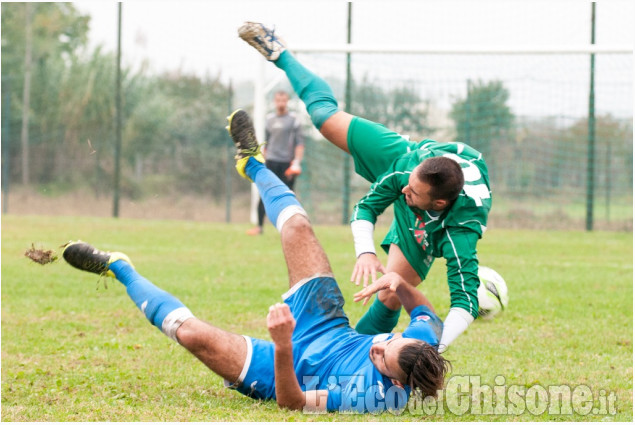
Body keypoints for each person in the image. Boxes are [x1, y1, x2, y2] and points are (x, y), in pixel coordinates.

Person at [61, 109, 449, 413]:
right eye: (390, 342)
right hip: (325, 323)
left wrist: (282, 345)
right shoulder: (420, 344)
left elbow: (292, 404)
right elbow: (427, 313)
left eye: (382, 359)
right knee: (298, 227)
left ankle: (117, 266)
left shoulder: (375, 399)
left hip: (287, 372)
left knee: (191, 334)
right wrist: (402, 286)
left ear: (397, 386)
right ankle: (252, 163)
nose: (377, 348)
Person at [237, 22, 492, 352]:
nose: (403, 194)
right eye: (406, 186)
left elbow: (465, 304)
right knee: (326, 120)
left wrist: (432, 351)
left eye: (412, 195)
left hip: (436, 202)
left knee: (390, 294)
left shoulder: (461, 230)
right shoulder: (405, 173)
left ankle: (348, 354)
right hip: (411, 157)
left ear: (438, 205)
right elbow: (367, 207)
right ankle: (281, 53)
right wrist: (366, 252)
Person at [247, 90, 305, 235]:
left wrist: (296, 162)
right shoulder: (269, 119)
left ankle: (292, 228)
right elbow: (265, 144)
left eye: (283, 100)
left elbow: (299, 143)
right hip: (271, 162)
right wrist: (263, 161)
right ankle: (259, 227)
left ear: (287, 101)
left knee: (289, 195)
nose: (281, 103)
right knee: (264, 194)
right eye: (278, 100)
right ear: (274, 101)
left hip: (287, 163)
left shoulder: (294, 119)